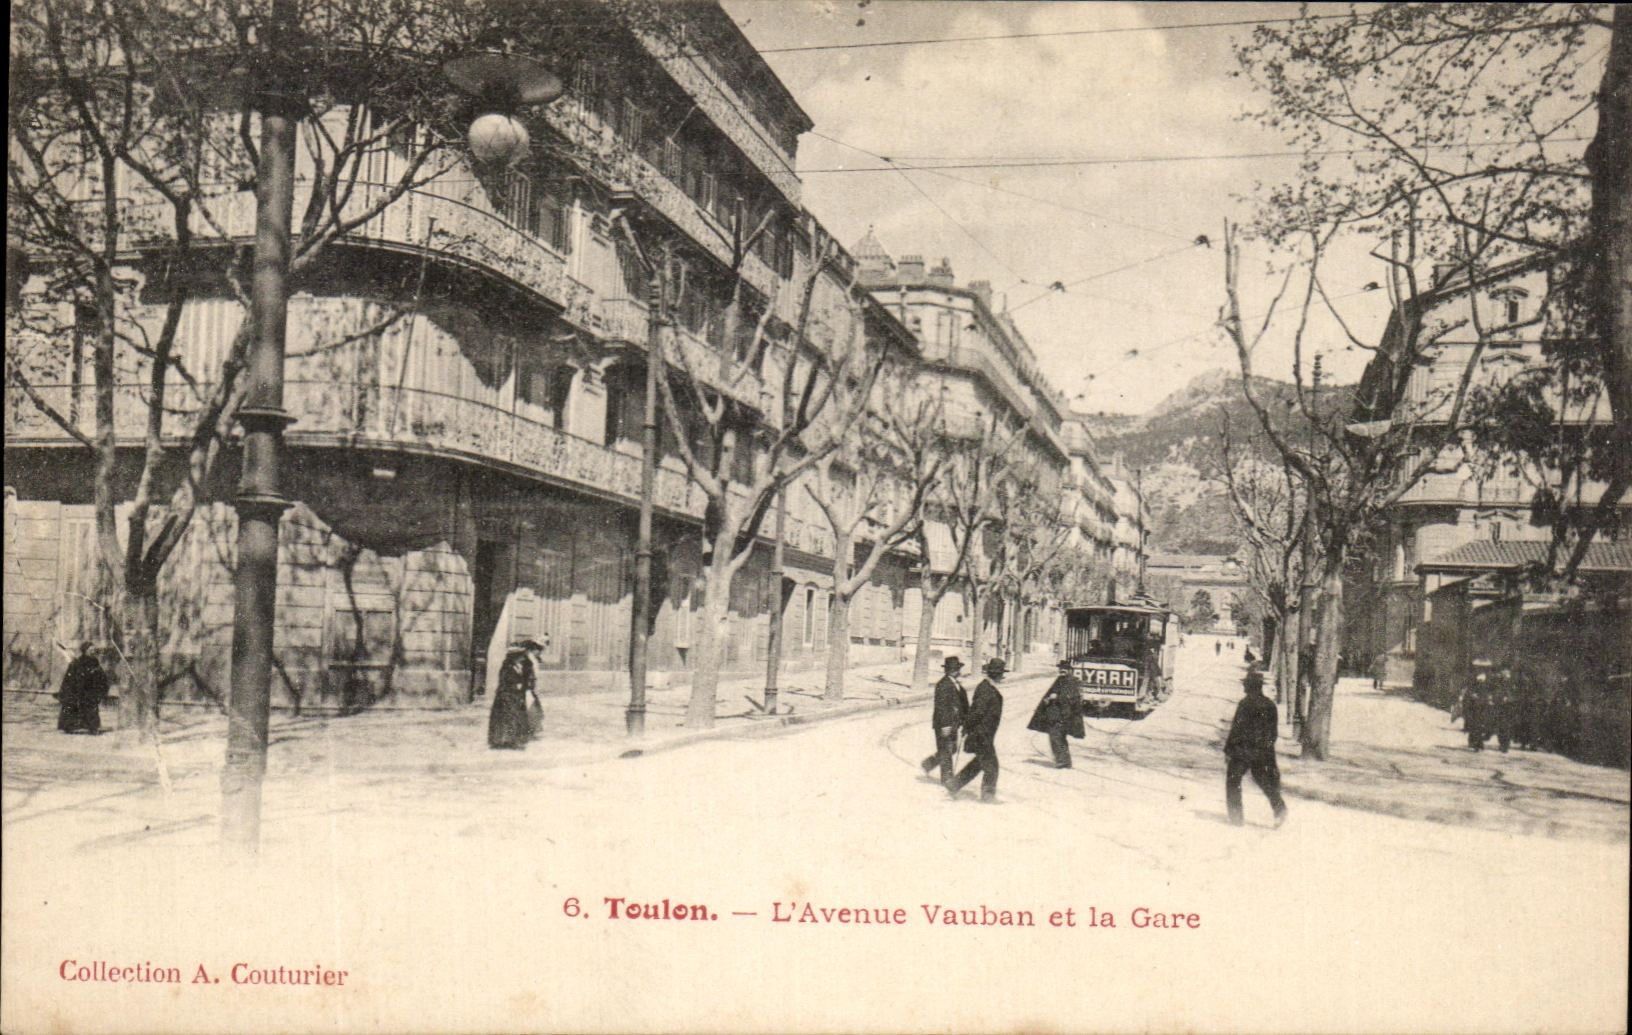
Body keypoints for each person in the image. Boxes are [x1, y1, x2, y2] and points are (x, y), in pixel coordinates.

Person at [1223, 665, 1287, 827]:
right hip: (1262, 751)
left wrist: (1229, 750)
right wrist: (1267, 748)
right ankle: (1280, 809)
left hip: (1242, 751)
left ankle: (1236, 818)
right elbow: (1273, 732)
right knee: (1265, 782)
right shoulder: (1270, 705)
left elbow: (1237, 728)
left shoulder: (1245, 704)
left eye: (1246, 684)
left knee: (1233, 781)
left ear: (1250, 686)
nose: (1244, 686)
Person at [949, 658, 1006, 802]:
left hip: (983, 733)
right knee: (992, 766)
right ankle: (988, 795)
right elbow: (977, 712)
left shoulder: (987, 687)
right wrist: (967, 727)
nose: (1002, 677)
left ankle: (954, 784)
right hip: (982, 734)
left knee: (979, 763)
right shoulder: (986, 689)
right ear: (997, 675)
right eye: (1000, 674)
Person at [921, 656, 969, 786]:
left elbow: (962, 704)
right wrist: (944, 725)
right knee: (946, 750)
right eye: (957, 669)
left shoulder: (956, 684)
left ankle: (928, 764)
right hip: (945, 725)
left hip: (953, 724)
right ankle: (947, 778)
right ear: (954, 670)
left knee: (951, 749)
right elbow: (941, 707)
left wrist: (965, 721)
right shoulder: (943, 684)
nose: (958, 671)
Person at [1028, 659, 1085, 768]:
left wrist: (1057, 697)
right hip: (1056, 714)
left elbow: (1072, 699)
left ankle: (1062, 761)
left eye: (1065, 669)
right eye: (1061, 669)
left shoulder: (1071, 681)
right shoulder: (1060, 680)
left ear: (1069, 670)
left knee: (1056, 737)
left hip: (1064, 715)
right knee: (1058, 737)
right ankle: (1064, 761)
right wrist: (1047, 699)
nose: (1062, 670)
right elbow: (1052, 692)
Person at [488, 638, 543, 749]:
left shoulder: (519, 666)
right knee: (506, 719)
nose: (522, 657)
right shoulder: (507, 666)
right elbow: (504, 681)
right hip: (506, 696)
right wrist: (515, 685)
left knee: (516, 718)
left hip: (516, 696)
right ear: (514, 656)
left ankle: (513, 740)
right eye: (519, 655)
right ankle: (502, 740)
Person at [56, 641, 110, 735]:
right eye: (90, 650)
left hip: (90, 691)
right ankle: (70, 726)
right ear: (85, 651)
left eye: (94, 650)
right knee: (75, 708)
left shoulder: (94, 661)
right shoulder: (78, 662)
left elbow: (100, 675)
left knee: (91, 708)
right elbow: (73, 677)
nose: (93, 652)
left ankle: (92, 727)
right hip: (79, 690)